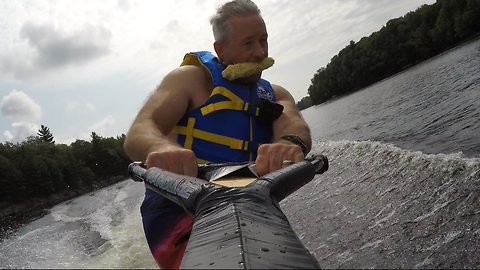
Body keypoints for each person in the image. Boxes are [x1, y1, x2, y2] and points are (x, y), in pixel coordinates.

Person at [123, 0, 312, 268]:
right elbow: (139, 131)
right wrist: (160, 148)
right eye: (248, 43)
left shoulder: (275, 95)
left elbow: (294, 125)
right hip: (182, 208)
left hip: (249, 203)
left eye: (263, 40)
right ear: (220, 50)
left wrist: (288, 142)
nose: (260, 52)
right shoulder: (190, 80)